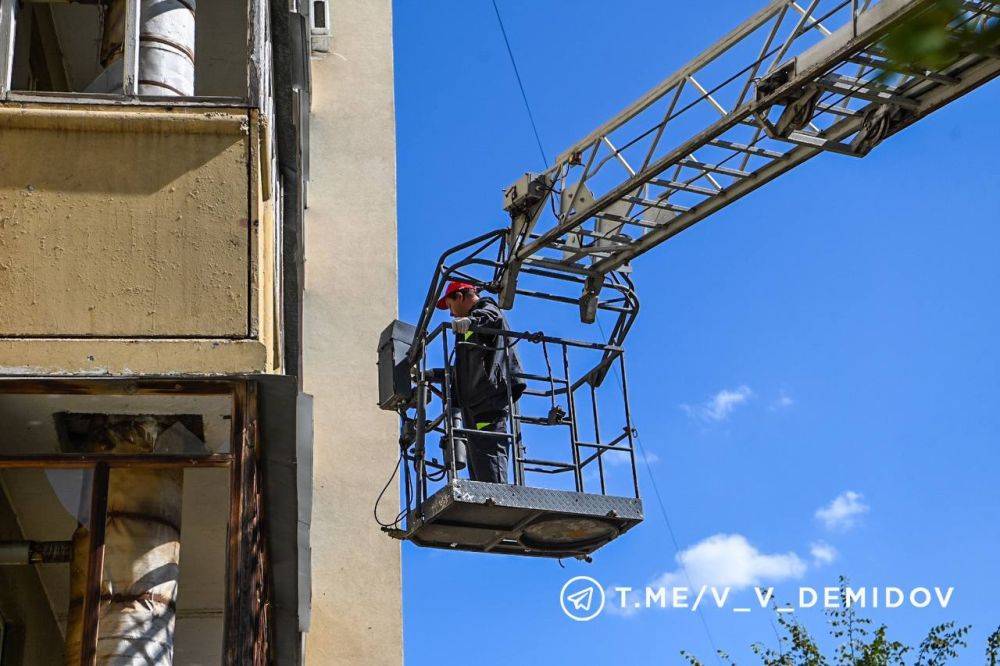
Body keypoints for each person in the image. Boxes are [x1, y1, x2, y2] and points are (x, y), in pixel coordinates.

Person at [435, 280, 526, 483]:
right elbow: (466, 367)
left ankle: (497, 503)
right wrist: (434, 376)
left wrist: (471, 321)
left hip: (487, 404)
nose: (451, 313)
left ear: (460, 296)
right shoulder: (468, 326)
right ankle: (487, 500)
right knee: (477, 461)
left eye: (450, 306)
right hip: (474, 405)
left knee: (489, 454)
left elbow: (492, 319)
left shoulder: (486, 309)